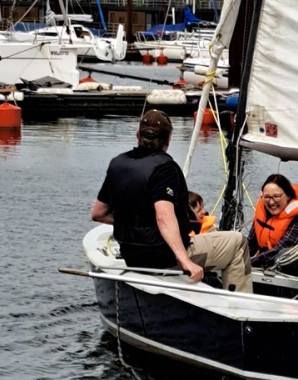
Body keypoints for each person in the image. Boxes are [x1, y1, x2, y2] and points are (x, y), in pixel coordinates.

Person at [91, 109, 252, 293]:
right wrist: (186, 261)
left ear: (138, 135)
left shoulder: (117, 164)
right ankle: (237, 309)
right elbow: (164, 216)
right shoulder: (164, 169)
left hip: (132, 256)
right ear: (168, 139)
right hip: (164, 258)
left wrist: (134, 221)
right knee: (237, 242)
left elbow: (98, 213)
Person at [248, 174, 298, 278]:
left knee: (284, 255)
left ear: (288, 195)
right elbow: (251, 245)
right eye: (266, 197)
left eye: (276, 196)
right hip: (267, 264)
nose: (271, 202)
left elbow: (284, 248)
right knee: (236, 242)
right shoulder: (264, 213)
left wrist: (249, 263)